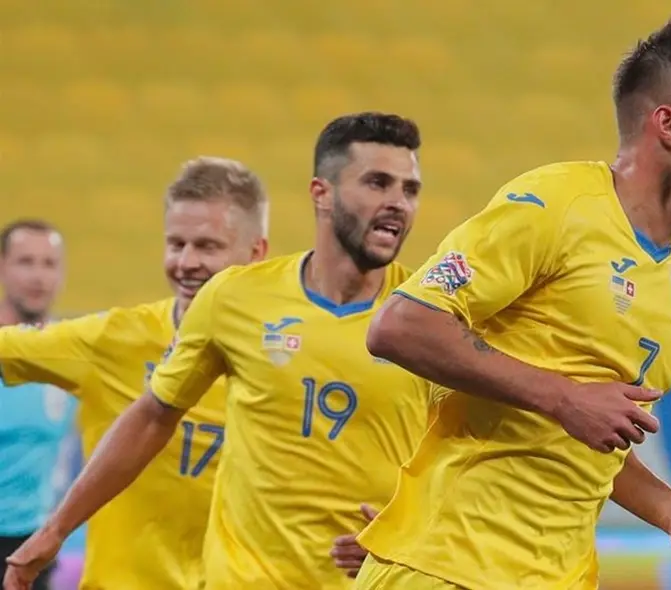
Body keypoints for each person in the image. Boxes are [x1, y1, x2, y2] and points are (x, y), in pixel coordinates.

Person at [355, 13, 671, 590]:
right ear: (668, 124)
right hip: (448, 566)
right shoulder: (556, 205)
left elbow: (583, 435)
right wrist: (565, 397)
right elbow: (401, 324)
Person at [4, 112, 432, 590]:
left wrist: (412, 538)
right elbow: (153, 415)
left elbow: (471, 462)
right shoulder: (230, 302)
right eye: (377, 183)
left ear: (255, 249)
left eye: (410, 189)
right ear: (322, 193)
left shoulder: (430, 318)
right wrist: (54, 532)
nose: (398, 202)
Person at [0, 157, 269, 589]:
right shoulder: (115, 340)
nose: (186, 262)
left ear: (256, 253)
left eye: (207, 246)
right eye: (176, 244)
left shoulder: (283, 357)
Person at [0, 220, 74, 590]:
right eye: (26, 261)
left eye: (49, 263)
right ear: (2, 267)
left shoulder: (71, 353)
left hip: (34, 544)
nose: (38, 276)